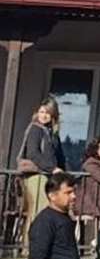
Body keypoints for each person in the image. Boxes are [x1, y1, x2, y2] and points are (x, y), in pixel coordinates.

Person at [16, 98, 65, 247]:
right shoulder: (35, 129)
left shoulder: (52, 133)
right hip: (36, 175)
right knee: (38, 210)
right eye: (41, 112)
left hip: (47, 175)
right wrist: (52, 168)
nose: (43, 115)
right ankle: (29, 246)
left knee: (45, 212)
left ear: (53, 115)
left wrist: (64, 173)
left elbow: (59, 157)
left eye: (47, 113)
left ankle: (41, 244)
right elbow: (33, 154)